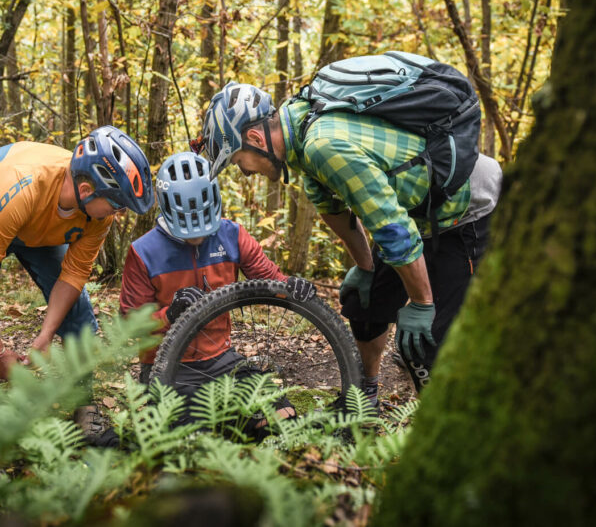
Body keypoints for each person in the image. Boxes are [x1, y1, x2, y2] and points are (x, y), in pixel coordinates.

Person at [195, 79, 501, 400]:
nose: (244, 172)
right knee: (362, 305)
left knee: (423, 347)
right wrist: (366, 269)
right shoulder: (300, 129)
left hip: (463, 209)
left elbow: (391, 227)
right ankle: (365, 396)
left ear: (256, 138)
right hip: (414, 211)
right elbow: (331, 207)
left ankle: (442, 433)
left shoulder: (322, 144)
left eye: (237, 161)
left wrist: (422, 304)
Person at [0, 126, 153, 440]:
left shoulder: (98, 214)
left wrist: (46, 334)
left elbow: (73, 275)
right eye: (117, 204)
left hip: (41, 227)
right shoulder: (23, 186)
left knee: (79, 312)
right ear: (86, 191)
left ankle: (84, 401)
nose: (118, 214)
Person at [119, 151, 316, 430]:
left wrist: (291, 287)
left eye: (203, 221)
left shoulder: (232, 236)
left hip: (221, 360)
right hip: (168, 366)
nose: (197, 236)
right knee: (194, 435)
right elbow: (129, 325)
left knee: (280, 415)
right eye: (187, 227)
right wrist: (170, 314)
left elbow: (270, 280)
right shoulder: (143, 252)